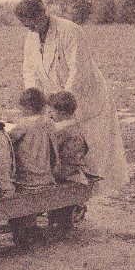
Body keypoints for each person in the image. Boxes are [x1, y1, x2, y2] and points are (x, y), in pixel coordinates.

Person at [15, 0, 128, 193]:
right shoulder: (31, 37)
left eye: (32, 24)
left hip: (84, 98)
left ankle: (81, 197)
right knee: (63, 150)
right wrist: (33, 104)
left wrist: (61, 104)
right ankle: (71, 197)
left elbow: (78, 71)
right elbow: (29, 72)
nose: (31, 29)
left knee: (87, 152)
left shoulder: (70, 31)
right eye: (27, 26)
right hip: (57, 100)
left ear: (42, 15)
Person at [47, 90, 91, 228]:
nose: (50, 115)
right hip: (77, 168)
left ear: (60, 112)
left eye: (52, 112)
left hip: (64, 171)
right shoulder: (76, 124)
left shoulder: (60, 130)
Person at [8, 87, 56, 190]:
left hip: (28, 179)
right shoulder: (48, 123)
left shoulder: (24, 124)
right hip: (46, 176)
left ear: (28, 108)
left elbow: (8, 141)